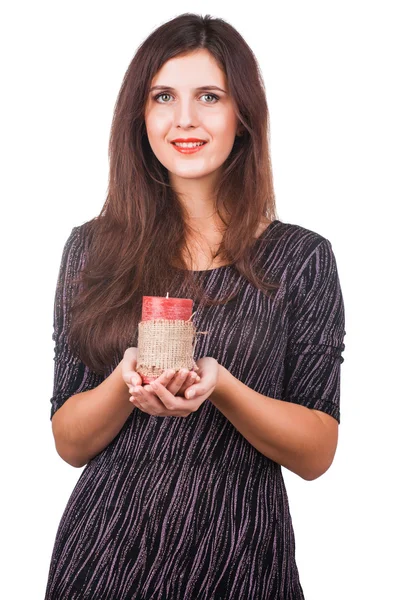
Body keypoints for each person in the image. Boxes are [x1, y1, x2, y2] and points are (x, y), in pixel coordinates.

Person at [45, 13, 346, 600]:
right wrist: (123, 379)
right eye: (164, 97)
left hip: (242, 555)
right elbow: (67, 441)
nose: (185, 119)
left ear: (244, 116)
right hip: (106, 555)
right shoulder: (92, 249)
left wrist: (224, 387)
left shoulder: (301, 258)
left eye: (210, 96)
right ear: (141, 115)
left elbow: (317, 453)